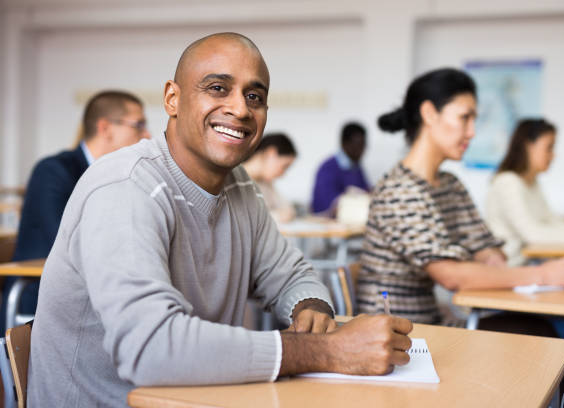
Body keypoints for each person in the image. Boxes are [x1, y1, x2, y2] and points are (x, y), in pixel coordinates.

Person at [28, 33, 413, 407]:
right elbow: (150, 349)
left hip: (203, 398)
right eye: (217, 88)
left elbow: (292, 275)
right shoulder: (125, 187)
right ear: (172, 99)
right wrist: (325, 350)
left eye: (255, 96)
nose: (241, 109)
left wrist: (309, 306)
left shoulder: (239, 187)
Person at [357, 68, 564, 326]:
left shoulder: (450, 185)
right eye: (465, 118)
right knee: (532, 329)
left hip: (436, 322)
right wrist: (542, 275)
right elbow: (451, 276)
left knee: (533, 326)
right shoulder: (400, 190)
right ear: (429, 114)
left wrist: (491, 259)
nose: (472, 132)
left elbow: (486, 247)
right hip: (399, 336)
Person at [0, 90, 150, 333]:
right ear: (106, 128)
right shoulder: (53, 171)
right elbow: (66, 242)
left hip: (93, 291)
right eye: (139, 125)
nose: (147, 134)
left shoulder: (119, 175)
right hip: (41, 296)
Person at [486, 118, 564, 266]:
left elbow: (550, 220)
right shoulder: (508, 182)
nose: (553, 155)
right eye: (549, 148)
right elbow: (533, 234)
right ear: (529, 146)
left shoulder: (531, 182)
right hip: (512, 267)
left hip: (529, 264)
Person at [311, 122, 370, 214]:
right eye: (358, 145)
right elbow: (328, 205)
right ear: (344, 144)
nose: (362, 150)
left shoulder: (356, 167)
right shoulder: (328, 168)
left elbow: (365, 193)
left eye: (363, 145)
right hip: (327, 224)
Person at [242, 132, 297, 223]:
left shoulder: (265, 183)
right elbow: (247, 218)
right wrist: (278, 215)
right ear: (271, 153)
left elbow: (289, 211)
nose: (283, 174)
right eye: (284, 166)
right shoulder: (233, 179)